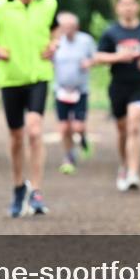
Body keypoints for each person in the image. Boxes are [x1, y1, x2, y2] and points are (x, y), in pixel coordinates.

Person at [0, 0, 60, 217]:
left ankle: (36, 190)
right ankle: (17, 187)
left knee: (34, 131)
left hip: (38, 75)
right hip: (11, 78)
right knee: (15, 138)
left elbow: (56, 28)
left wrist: (54, 44)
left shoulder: (48, 4)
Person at [94, 0, 140, 192]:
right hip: (118, 86)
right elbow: (98, 57)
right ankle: (124, 164)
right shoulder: (111, 33)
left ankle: (133, 174)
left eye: (131, 3)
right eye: (124, 4)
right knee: (122, 131)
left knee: (134, 127)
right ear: (118, 8)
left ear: (137, 6)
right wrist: (118, 57)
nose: (128, 7)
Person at [52, 11, 97, 174]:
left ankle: (83, 139)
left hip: (80, 90)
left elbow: (96, 57)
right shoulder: (55, 42)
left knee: (78, 127)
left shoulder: (86, 41)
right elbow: (47, 58)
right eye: (64, 27)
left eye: (70, 27)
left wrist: (90, 62)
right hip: (61, 90)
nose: (67, 30)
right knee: (64, 128)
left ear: (76, 27)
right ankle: (68, 156)